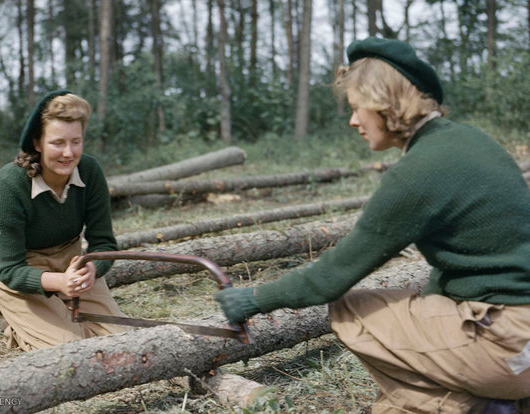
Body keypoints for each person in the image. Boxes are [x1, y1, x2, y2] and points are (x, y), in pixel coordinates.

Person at [215, 37, 530, 413]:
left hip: (511, 347)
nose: (353, 121)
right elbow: (462, 265)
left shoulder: (417, 173)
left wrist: (255, 299)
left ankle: (484, 401)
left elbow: (331, 278)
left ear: (384, 102)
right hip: (519, 336)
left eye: (357, 108)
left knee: (350, 310)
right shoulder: (470, 140)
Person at [0, 89, 127, 351]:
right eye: (57, 143)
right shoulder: (8, 185)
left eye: (76, 142)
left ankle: (55, 310)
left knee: (121, 339)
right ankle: (19, 325)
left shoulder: (90, 171)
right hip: (21, 262)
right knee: (68, 349)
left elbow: (103, 242)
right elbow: (10, 269)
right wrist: (61, 283)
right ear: (37, 143)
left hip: (70, 256)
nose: (68, 153)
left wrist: (91, 270)